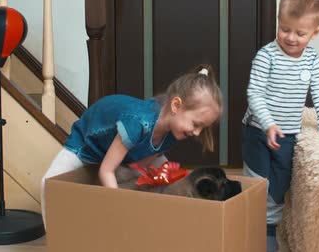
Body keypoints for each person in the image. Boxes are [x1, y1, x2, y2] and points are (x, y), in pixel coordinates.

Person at [41, 64, 223, 226]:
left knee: (170, 180)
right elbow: (106, 171)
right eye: (196, 124)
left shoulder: (173, 132)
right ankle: (57, 240)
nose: (197, 133)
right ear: (176, 106)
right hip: (85, 145)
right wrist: (122, 210)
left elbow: (144, 169)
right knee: (48, 184)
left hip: (127, 150)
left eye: (203, 128)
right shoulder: (138, 123)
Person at [241, 0, 319, 252]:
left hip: (288, 134)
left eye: (300, 33)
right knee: (258, 182)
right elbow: (255, 93)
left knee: (279, 184)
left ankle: (270, 224)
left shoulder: (312, 59)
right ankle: (259, 230)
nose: (290, 38)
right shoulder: (266, 56)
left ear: (315, 33)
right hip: (258, 131)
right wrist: (269, 123)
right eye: (284, 29)